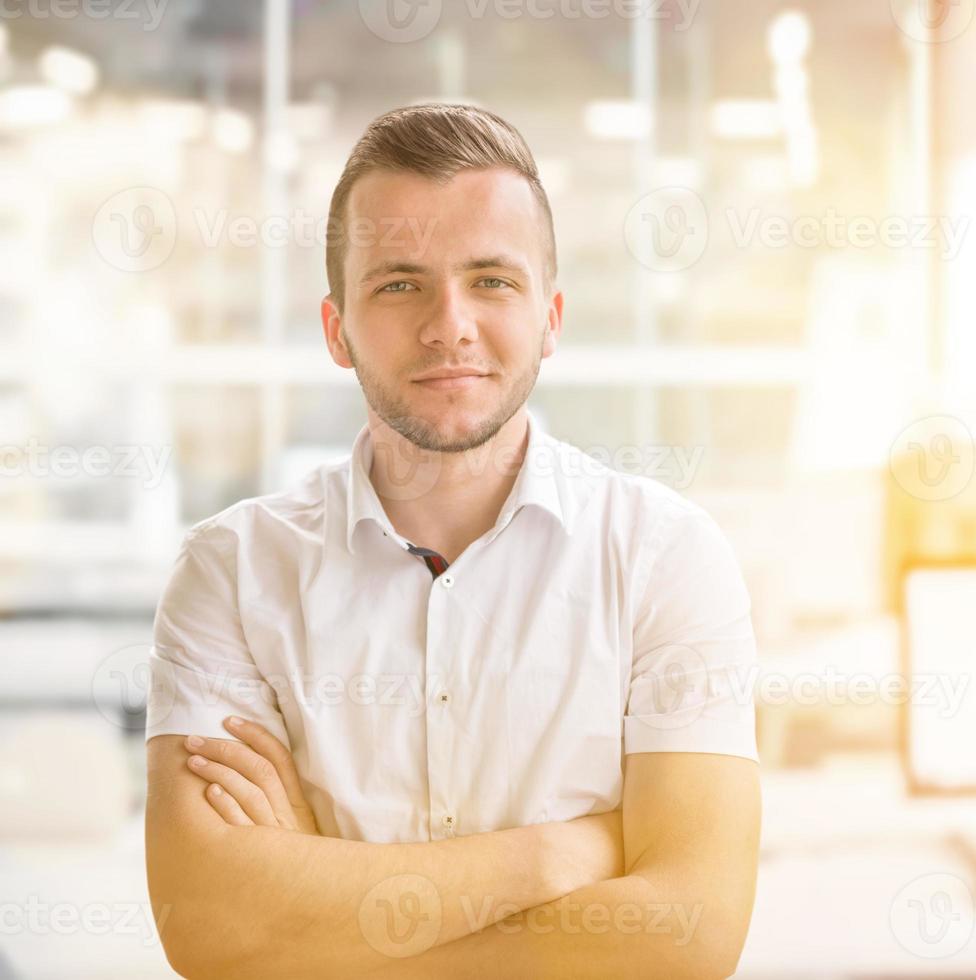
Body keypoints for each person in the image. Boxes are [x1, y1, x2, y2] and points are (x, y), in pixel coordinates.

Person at [144, 102, 760, 979]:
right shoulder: (232, 571)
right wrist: (561, 856)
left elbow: (690, 939)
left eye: (491, 281)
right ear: (336, 329)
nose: (449, 325)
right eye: (399, 284)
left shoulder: (665, 557)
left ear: (550, 317)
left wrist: (318, 915)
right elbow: (207, 925)